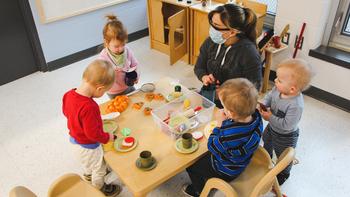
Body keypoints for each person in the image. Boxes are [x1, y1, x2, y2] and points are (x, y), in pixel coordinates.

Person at [183, 78, 263, 197]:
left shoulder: (228, 134)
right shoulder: (257, 117)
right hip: (242, 160)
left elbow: (212, 146)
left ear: (231, 113)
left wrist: (219, 124)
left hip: (226, 169)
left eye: (224, 107)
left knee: (191, 166)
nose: (222, 109)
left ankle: (198, 190)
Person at [62, 60, 121, 196]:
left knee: (88, 164)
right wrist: (108, 137)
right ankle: (99, 189)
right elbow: (93, 134)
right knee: (99, 169)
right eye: (105, 91)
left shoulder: (68, 94)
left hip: (75, 141)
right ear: (100, 88)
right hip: (88, 146)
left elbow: (66, 112)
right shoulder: (90, 106)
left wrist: (80, 122)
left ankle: (88, 174)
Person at [194, 4, 262, 107]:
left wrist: (225, 92)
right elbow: (199, 67)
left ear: (232, 32)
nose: (212, 28)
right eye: (212, 23)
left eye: (216, 26)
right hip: (210, 97)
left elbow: (253, 91)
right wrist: (204, 77)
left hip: (233, 107)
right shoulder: (211, 42)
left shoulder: (249, 54)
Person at [259, 58, 313, 185]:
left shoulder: (296, 105)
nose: (275, 81)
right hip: (272, 128)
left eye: (279, 80)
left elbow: (287, 124)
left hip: (286, 136)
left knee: (284, 156)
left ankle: (284, 174)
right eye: (276, 78)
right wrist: (264, 104)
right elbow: (269, 97)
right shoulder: (278, 89)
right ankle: (266, 159)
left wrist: (269, 117)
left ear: (292, 89)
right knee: (266, 140)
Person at [98, 14, 140, 99]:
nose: (120, 49)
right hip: (114, 91)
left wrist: (136, 76)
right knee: (120, 110)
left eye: (123, 44)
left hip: (129, 86)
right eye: (116, 46)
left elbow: (135, 64)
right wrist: (112, 72)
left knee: (135, 103)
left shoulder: (127, 51)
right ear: (106, 42)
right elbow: (102, 78)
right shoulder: (103, 58)